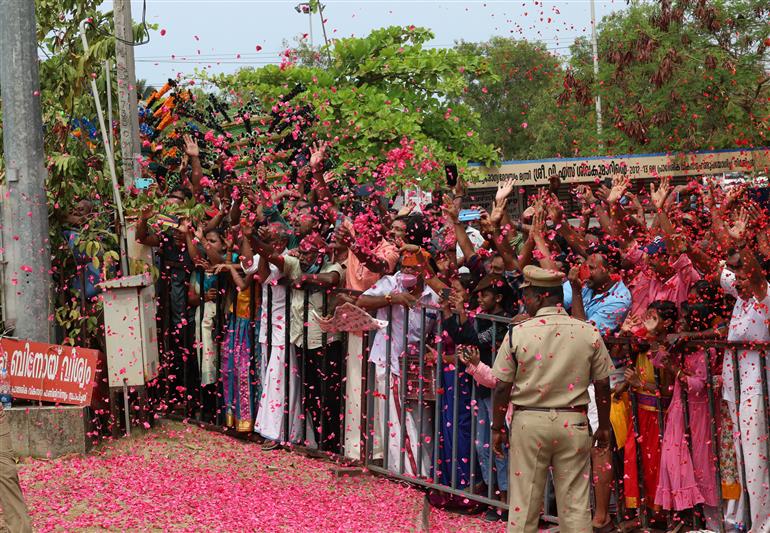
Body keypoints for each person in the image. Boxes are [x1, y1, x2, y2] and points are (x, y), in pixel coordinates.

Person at [491, 265, 614, 532]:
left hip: (529, 422)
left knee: (525, 504)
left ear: (541, 297)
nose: (526, 301)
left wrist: (497, 427)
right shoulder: (587, 331)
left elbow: (502, 386)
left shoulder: (518, 333)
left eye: (529, 295)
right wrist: (603, 426)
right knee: (576, 506)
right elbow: (603, 383)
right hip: (574, 422)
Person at [357, 249, 441, 476]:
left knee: (420, 421)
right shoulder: (390, 283)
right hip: (390, 362)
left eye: (412, 268)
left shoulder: (434, 296)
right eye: (404, 267)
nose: (406, 271)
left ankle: (424, 472)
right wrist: (392, 299)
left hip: (418, 368)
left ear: (424, 271)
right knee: (397, 420)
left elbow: (439, 332)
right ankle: (411, 474)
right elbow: (361, 300)